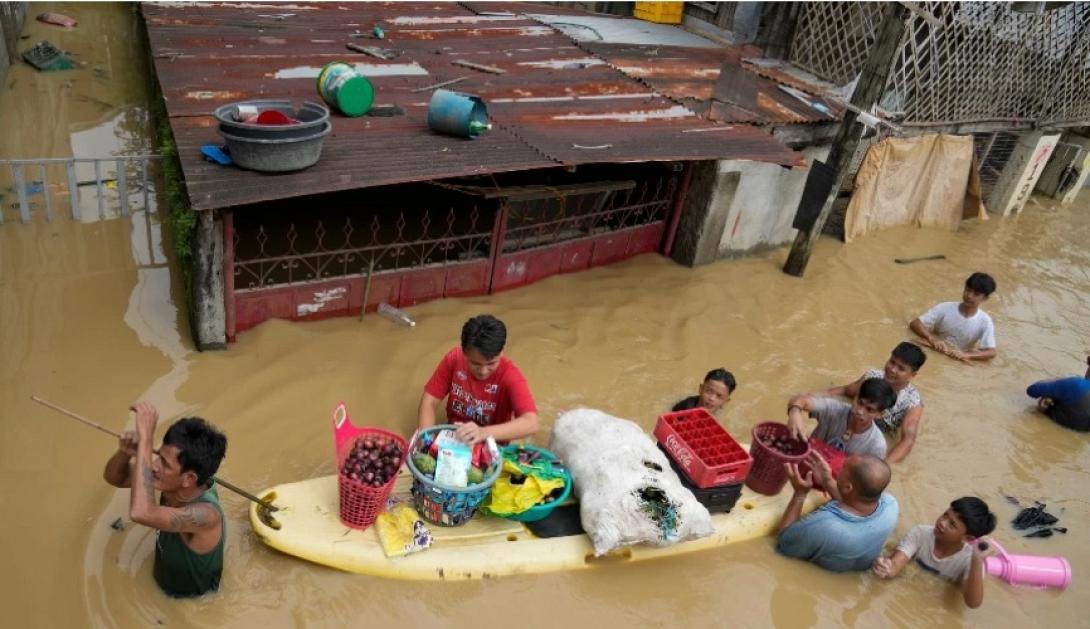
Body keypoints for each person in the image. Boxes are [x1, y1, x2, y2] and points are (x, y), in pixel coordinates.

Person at [102, 402, 228, 598]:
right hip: (162, 581)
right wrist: (125, 453)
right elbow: (115, 478)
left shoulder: (207, 515)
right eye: (158, 456)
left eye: (165, 464)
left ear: (189, 479)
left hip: (191, 603)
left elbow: (140, 513)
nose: (153, 466)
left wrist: (145, 440)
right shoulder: (167, 482)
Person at [418, 314, 539, 444]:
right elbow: (429, 402)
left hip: (492, 442)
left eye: (491, 363)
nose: (483, 371)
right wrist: (426, 441)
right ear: (464, 352)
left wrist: (483, 433)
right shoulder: (454, 358)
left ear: (502, 351)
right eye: (475, 363)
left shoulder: (510, 375)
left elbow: (532, 423)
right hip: (455, 433)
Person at [777, 452, 899, 572]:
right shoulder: (891, 505)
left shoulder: (823, 526)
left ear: (847, 487)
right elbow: (855, 503)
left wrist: (800, 494)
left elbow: (783, 544)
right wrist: (827, 481)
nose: (839, 470)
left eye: (842, 468)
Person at [873, 497, 998, 609]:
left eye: (952, 524)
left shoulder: (972, 560)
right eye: (945, 515)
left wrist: (977, 559)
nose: (942, 523)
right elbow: (895, 565)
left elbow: (972, 603)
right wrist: (887, 568)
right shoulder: (920, 533)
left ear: (968, 538)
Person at [826, 343, 926, 463]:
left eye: (901, 368)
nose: (892, 370)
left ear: (912, 375)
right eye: (892, 362)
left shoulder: (913, 402)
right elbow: (845, 391)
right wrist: (815, 396)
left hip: (874, 441)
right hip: (851, 427)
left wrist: (883, 466)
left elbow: (908, 440)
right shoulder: (871, 377)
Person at [787, 377, 897, 460]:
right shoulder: (834, 409)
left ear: (880, 414)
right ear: (856, 397)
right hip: (807, 459)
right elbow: (800, 400)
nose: (860, 411)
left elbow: (866, 479)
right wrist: (794, 412)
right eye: (859, 403)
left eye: (869, 409)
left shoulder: (877, 445)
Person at [909, 272, 997, 362]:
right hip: (933, 349)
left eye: (976, 294)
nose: (969, 296)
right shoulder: (945, 307)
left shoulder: (985, 321)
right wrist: (932, 339)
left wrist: (966, 355)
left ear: (985, 298)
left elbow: (991, 352)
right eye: (968, 290)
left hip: (957, 359)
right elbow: (915, 323)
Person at [1026, 355, 1090, 432]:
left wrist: (1056, 381)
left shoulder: (1075, 384)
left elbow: (1032, 390)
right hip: (1078, 438)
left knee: (1047, 399)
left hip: (1049, 427)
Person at [671, 368, 736, 414]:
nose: (712, 398)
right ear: (700, 389)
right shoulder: (687, 409)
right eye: (709, 391)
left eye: (719, 396)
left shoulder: (718, 409)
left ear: (725, 402)